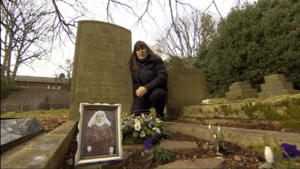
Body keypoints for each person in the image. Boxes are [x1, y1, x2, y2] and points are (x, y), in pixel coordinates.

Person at [129, 41, 168, 119]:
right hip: (141, 95)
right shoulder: (133, 64)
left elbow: (163, 76)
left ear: (147, 50)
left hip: (155, 91)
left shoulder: (156, 60)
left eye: (143, 48)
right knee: (135, 114)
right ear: (135, 53)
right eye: (138, 49)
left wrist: (147, 88)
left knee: (158, 94)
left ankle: (159, 115)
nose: (141, 51)